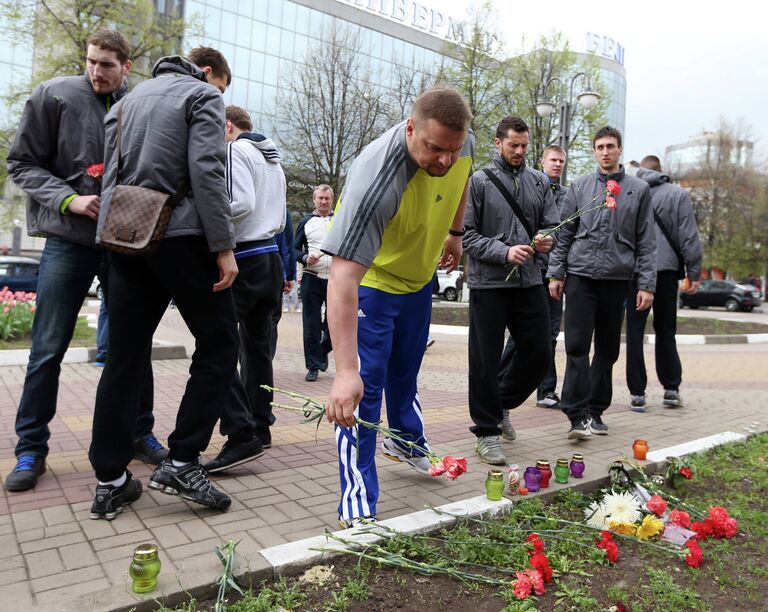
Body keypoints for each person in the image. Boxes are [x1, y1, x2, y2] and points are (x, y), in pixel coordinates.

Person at [4, 29, 166, 493]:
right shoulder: (52, 95)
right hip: (68, 241)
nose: (97, 71)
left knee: (132, 346)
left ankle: (139, 433)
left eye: (107, 64)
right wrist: (68, 200)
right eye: (92, 61)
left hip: (123, 244)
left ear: (127, 67)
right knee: (48, 348)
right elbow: (22, 163)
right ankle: (30, 447)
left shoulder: (140, 104)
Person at [88, 47, 239, 520]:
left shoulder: (125, 103)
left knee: (125, 357)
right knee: (219, 344)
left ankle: (110, 480)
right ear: (207, 74)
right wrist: (223, 245)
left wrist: (107, 242)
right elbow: (208, 171)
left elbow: (109, 179)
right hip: (184, 237)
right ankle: (181, 460)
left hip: (126, 238)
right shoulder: (201, 97)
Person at [322, 87, 474, 526]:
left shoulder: (460, 143)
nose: (445, 159)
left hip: (418, 279)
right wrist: (345, 371)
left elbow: (463, 176)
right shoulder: (376, 179)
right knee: (363, 391)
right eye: (434, 149)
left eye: (453, 149)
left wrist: (456, 231)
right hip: (374, 283)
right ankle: (358, 499)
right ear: (411, 129)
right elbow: (342, 278)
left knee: (405, 375)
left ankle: (406, 442)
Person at [547, 126, 656, 439]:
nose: (605, 152)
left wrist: (646, 284)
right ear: (594, 151)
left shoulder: (638, 189)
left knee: (607, 350)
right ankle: (576, 415)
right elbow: (563, 232)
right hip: (580, 276)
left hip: (617, 278)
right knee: (577, 346)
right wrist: (556, 273)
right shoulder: (579, 186)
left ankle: (596, 411)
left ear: (620, 149)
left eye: (610, 146)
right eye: (599, 147)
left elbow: (647, 240)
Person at [464, 117, 559, 465]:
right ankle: (487, 433)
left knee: (539, 355)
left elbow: (551, 224)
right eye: (513, 145)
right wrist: (504, 252)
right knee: (485, 361)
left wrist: (548, 238)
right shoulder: (479, 182)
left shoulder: (538, 181)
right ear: (497, 142)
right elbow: (467, 236)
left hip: (530, 280)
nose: (519, 151)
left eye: (524, 145)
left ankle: (501, 403)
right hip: (489, 284)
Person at [205, 105, 287, 472]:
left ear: (227, 126)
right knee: (257, 351)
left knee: (216, 345)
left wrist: (208, 219)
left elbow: (242, 203)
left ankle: (241, 433)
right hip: (270, 258)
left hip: (245, 256)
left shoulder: (237, 150)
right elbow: (279, 216)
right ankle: (261, 425)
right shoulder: (273, 158)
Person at [626, 155, 702, 411]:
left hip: (635, 272)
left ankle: (637, 394)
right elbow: (689, 237)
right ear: (661, 172)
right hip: (667, 271)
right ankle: (671, 389)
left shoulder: (630, 190)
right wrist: (694, 272)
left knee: (634, 333)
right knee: (666, 331)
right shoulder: (677, 195)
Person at [498, 144, 569, 410]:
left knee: (548, 334)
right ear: (542, 161)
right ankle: (501, 385)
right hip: (529, 270)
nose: (558, 164)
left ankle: (546, 389)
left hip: (553, 274)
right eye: (553, 160)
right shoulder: (530, 187)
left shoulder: (567, 195)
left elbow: (564, 237)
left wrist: (558, 272)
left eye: (561, 161)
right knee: (521, 335)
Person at [294, 185, 334, 381]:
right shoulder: (306, 222)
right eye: (320, 198)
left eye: (327, 198)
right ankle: (313, 366)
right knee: (311, 324)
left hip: (336, 279)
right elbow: (294, 249)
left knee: (334, 322)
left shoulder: (340, 222)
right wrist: (303, 258)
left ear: (332, 200)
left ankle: (323, 348)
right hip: (311, 276)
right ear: (314, 200)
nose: (324, 202)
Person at [272, 209, 297, 355]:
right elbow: (288, 247)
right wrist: (290, 275)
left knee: (247, 320)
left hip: (246, 263)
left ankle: (245, 364)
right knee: (271, 319)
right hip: (274, 269)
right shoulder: (281, 210)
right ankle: (265, 361)